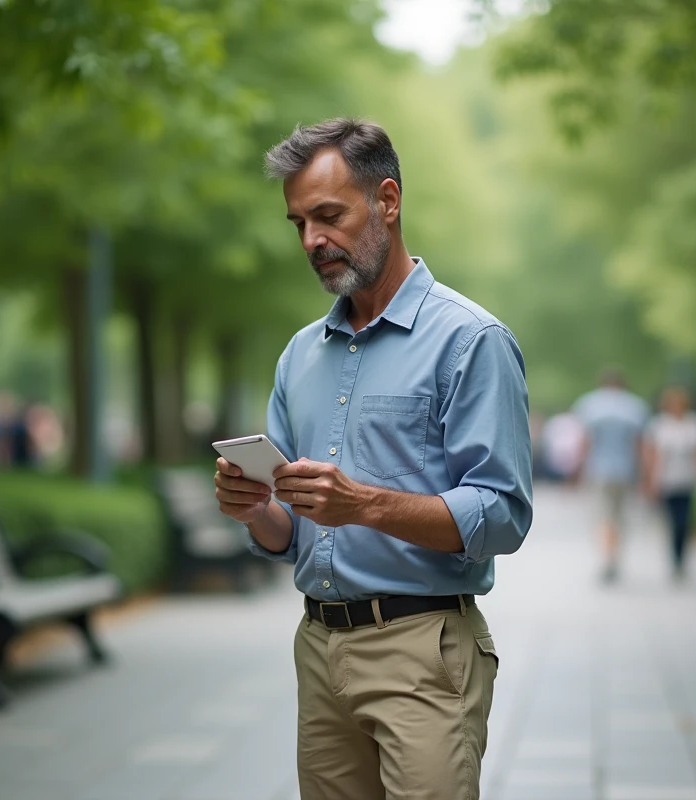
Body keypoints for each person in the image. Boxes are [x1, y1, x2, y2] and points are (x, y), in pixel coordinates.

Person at [212, 119, 533, 800]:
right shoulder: (300, 355)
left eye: (328, 216)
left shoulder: (471, 341)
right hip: (319, 650)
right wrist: (254, 508)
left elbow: (503, 515)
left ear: (387, 201)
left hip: (422, 651)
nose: (311, 241)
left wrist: (364, 503)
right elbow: (288, 531)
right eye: (297, 222)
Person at [571, 368, 650, 583]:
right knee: (620, 517)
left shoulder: (590, 404)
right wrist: (646, 475)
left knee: (602, 516)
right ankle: (615, 558)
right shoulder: (635, 406)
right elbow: (640, 445)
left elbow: (585, 442)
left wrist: (576, 471)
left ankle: (606, 558)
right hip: (626, 471)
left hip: (599, 470)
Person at [643, 386, 696, 580]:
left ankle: (682, 557)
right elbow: (652, 454)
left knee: (686, 522)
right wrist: (649, 480)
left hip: (689, 480)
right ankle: (675, 559)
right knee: (674, 522)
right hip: (666, 481)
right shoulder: (659, 425)